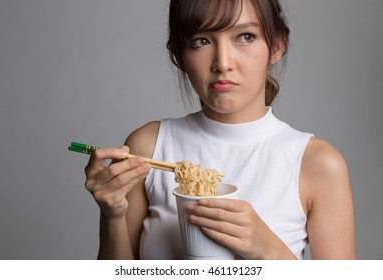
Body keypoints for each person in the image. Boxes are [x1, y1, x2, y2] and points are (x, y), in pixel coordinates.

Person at [84, 0, 356, 260]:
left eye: (245, 36)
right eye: (201, 40)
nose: (223, 63)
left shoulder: (318, 164)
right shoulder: (147, 147)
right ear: (178, 55)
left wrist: (269, 250)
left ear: (276, 46)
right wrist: (113, 215)